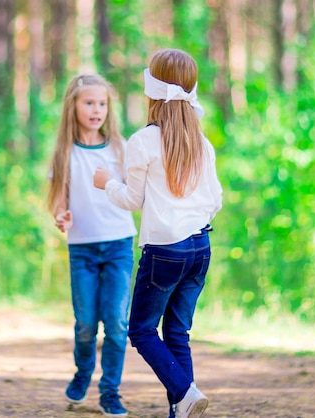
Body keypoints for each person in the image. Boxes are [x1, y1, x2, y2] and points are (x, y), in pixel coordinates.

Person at [93, 49, 223, 418]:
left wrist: (106, 183)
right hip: (201, 247)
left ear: (152, 89)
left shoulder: (144, 141)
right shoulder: (202, 141)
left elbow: (132, 199)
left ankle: (184, 391)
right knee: (178, 334)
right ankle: (183, 408)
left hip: (166, 251)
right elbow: (216, 199)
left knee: (143, 331)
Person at [48, 74, 137, 417]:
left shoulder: (120, 148)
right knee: (85, 322)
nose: (96, 109)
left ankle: (110, 391)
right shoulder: (64, 153)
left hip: (118, 245)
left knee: (115, 322)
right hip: (82, 248)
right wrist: (62, 217)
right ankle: (84, 371)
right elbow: (59, 200)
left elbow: (134, 192)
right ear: (73, 106)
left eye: (102, 103)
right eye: (89, 103)